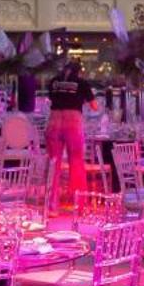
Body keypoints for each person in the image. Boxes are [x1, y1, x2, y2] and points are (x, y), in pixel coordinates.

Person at [43, 59, 94, 208]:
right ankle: (78, 203)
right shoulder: (82, 83)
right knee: (76, 161)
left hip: (54, 123)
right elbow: (95, 106)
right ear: (78, 71)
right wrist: (83, 101)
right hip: (73, 123)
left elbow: (52, 99)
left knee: (54, 163)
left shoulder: (54, 81)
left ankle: (52, 203)